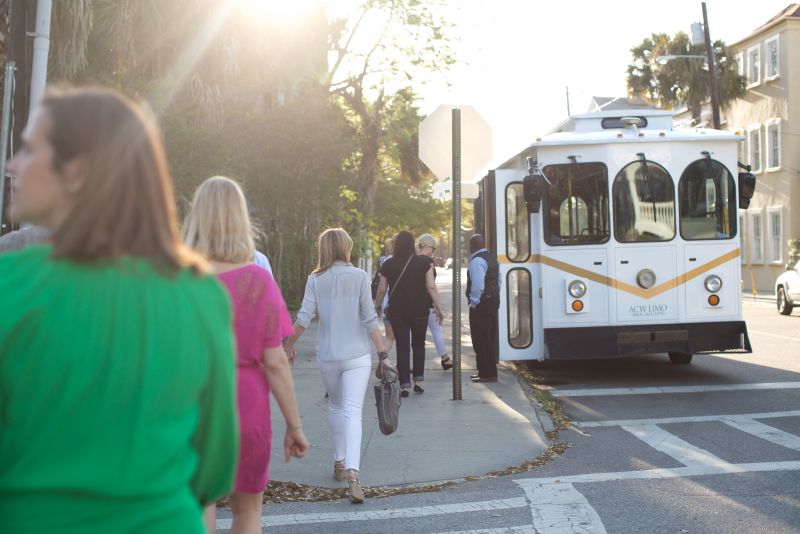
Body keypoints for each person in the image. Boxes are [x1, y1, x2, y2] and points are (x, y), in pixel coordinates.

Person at [0, 87, 237, 533]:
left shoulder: (10, 285)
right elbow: (215, 465)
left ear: (77, 171)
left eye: (29, 149)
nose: (13, 165)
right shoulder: (199, 295)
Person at [183, 176, 309, 534]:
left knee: (200, 500)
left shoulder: (178, 278)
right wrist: (294, 425)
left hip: (194, 400)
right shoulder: (257, 280)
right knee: (248, 509)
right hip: (246, 403)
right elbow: (275, 361)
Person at [284, 228, 389, 504]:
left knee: (336, 406)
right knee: (353, 410)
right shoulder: (360, 276)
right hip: (357, 355)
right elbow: (369, 319)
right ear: (346, 248)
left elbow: (304, 318)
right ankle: (353, 472)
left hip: (328, 355)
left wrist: (287, 344)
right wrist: (382, 351)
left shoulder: (315, 279)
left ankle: (339, 461)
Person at [375, 231, 444, 397]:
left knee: (402, 346)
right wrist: (439, 308)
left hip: (398, 311)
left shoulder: (388, 264)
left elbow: (382, 288)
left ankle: (405, 385)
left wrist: (377, 305)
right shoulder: (423, 263)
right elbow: (431, 287)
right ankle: (418, 381)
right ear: (413, 244)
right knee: (419, 345)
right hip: (420, 311)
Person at [467, 234, 501, 383]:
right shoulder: (493, 258)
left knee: (480, 339)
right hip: (493, 301)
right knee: (489, 337)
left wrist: (473, 303)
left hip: (481, 304)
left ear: (472, 246)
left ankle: (486, 373)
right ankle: (488, 371)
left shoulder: (477, 261)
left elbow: (477, 285)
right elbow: (499, 280)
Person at [416, 234, 452, 370]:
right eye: (432, 248)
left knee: (415, 335)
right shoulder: (428, 263)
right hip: (427, 302)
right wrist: (439, 306)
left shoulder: (414, 260)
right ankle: (445, 358)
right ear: (426, 246)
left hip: (415, 302)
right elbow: (431, 285)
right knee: (436, 329)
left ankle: (411, 362)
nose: (433, 251)